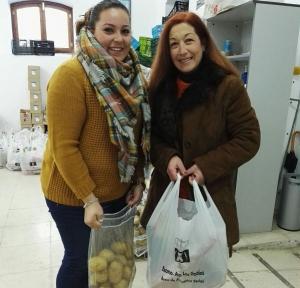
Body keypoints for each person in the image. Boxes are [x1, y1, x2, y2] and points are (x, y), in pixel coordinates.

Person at [40, 1, 150, 287]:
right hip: (72, 195)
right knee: (80, 259)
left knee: (108, 261)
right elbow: (64, 147)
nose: (119, 38)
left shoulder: (133, 77)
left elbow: (137, 136)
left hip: (116, 192)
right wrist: (89, 199)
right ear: (90, 31)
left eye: (125, 31)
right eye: (109, 30)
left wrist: (138, 179)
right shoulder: (70, 76)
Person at [140, 12, 260, 256]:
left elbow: (248, 138)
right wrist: (168, 157)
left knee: (204, 275)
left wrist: (205, 166)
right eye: (174, 44)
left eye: (189, 40)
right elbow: (147, 136)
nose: (182, 50)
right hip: (166, 198)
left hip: (211, 200)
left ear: (203, 43)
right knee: (167, 273)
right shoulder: (159, 87)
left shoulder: (227, 86)